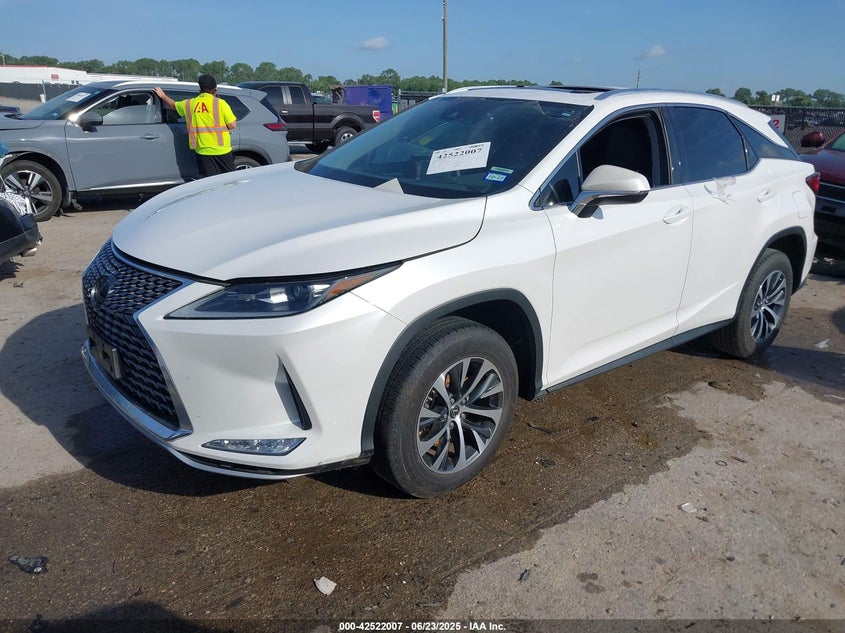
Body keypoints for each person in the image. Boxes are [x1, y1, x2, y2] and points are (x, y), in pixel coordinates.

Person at [155, 75, 237, 177]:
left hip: (202, 151)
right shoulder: (220, 103)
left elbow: (173, 105)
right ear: (215, 89)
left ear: (200, 88)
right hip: (222, 150)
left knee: (210, 181)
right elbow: (232, 125)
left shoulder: (190, 104)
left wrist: (163, 96)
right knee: (230, 179)